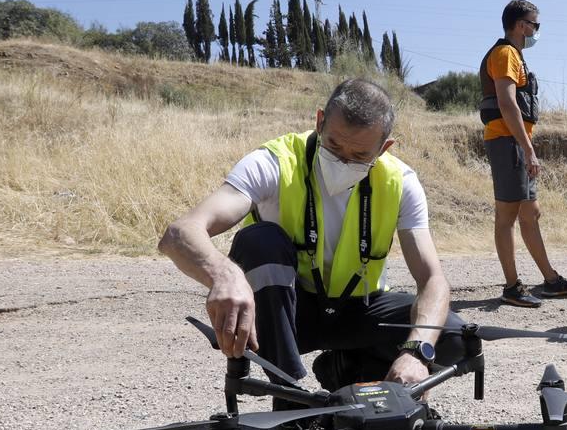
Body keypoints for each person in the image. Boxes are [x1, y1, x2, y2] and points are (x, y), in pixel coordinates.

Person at [158, 77, 465, 413]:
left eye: (360, 154)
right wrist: (224, 275)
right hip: (285, 315)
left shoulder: (401, 182)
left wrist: (417, 352)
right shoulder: (274, 161)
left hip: (356, 311)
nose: (343, 161)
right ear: (319, 121)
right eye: (333, 146)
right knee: (259, 241)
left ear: (384, 147)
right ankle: (290, 401)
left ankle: (351, 371)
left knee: (451, 335)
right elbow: (180, 233)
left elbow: (432, 279)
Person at [478, 0, 567, 307]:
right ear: (522, 25)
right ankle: (512, 287)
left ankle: (550, 279)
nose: (536, 30)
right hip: (507, 142)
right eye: (535, 24)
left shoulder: (513, 55)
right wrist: (528, 148)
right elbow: (508, 103)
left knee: (530, 213)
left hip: (515, 143)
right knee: (507, 216)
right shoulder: (506, 53)